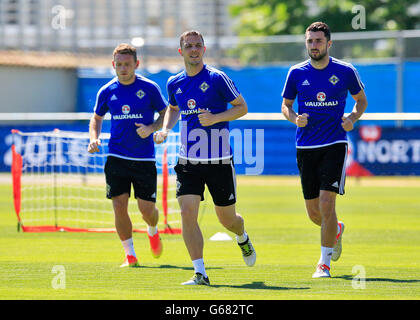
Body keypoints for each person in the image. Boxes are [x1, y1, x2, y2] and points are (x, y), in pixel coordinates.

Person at [154, 30, 256, 286]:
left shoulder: (217, 78)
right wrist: (165, 128)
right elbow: (174, 109)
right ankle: (200, 273)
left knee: (228, 220)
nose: (194, 50)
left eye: (198, 45)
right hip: (188, 161)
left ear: (204, 49)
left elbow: (242, 108)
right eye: (188, 46)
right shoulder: (174, 82)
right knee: (187, 212)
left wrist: (216, 118)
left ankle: (242, 237)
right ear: (181, 51)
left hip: (219, 160)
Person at [281, 22, 368, 278]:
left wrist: (352, 118)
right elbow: (285, 105)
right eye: (310, 41)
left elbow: (361, 100)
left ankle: (324, 263)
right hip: (305, 146)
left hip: (334, 143)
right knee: (314, 213)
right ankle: (336, 230)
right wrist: (294, 117)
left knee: (327, 203)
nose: (314, 46)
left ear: (329, 44)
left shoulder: (345, 71)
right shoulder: (296, 73)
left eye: (318, 41)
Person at [88, 43, 167, 267]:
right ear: (113, 65)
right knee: (119, 206)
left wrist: (152, 128)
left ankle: (152, 230)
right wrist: (93, 138)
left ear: (136, 64)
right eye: (119, 65)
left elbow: (166, 113)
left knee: (146, 210)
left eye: (127, 64)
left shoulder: (149, 88)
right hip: (116, 157)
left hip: (143, 159)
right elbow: (97, 118)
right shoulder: (106, 91)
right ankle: (130, 254)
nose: (123, 68)